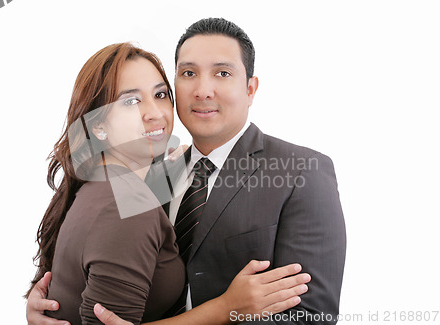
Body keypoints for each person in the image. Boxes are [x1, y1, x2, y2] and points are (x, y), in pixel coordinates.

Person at [25, 42, 311, 325]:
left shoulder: (105, 185)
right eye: (131, 101)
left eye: (160, 94)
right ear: (98, 127)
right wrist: (225, 308)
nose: (155, 112)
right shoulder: (127, 206)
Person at [96, 18, 347, 324]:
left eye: (223, 73)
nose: (202, 90)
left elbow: (311, 317)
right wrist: (53, 301)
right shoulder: (155, 173)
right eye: (188, 73)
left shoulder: (301, 171)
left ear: (250, 89)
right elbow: (104, 258)